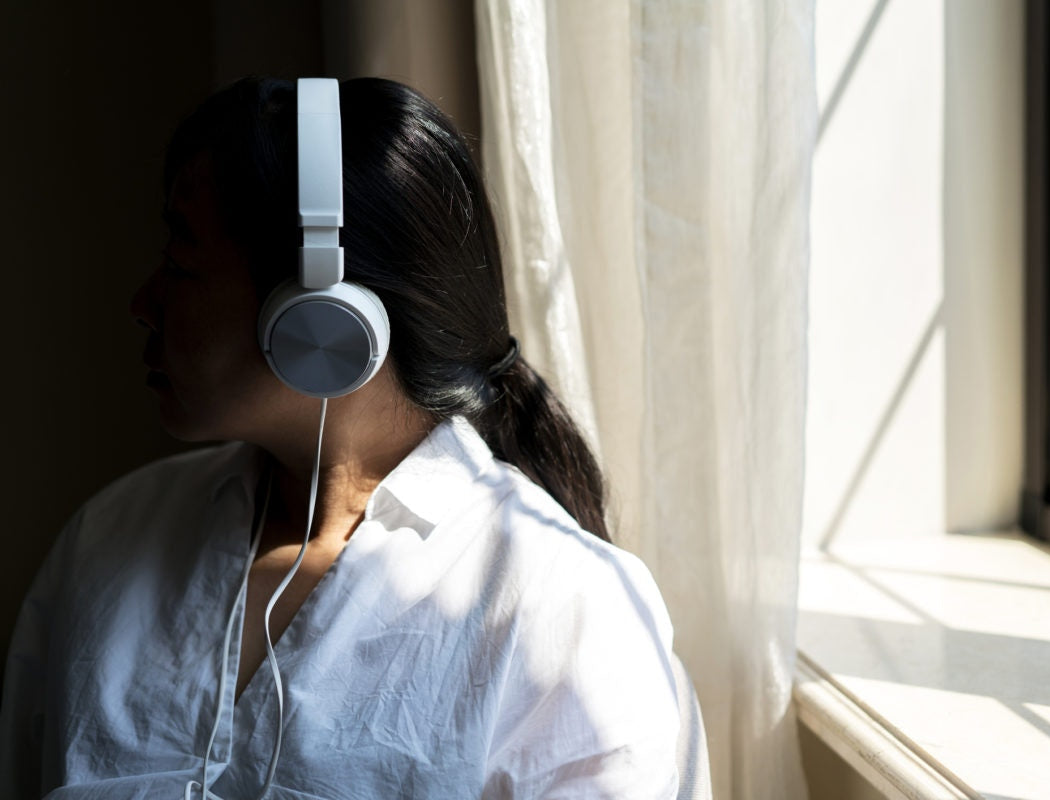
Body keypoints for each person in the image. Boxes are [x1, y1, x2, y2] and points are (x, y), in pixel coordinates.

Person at [0, 77, 679, 799]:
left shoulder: (561, 608)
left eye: (180, 263)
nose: (141, 304)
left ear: (319, 316)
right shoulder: (108, 538)